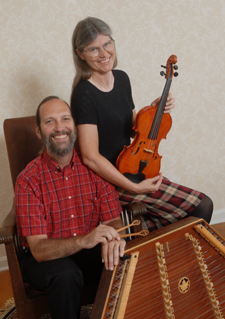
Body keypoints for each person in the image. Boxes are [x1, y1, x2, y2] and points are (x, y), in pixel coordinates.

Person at [70, 17, 213, 232]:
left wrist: (154, 110)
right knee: (202, 206)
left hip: (132, 166)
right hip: (108, 178)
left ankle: (144, 243)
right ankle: (142, 242)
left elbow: (132, 128)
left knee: (196, 208)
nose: (104, 53)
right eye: (93, 49)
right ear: (80, 53)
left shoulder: (121, 79)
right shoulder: (84, 94)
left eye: (107, 44)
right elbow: (91, 157)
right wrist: (134, 187)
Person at [15, 96, 126, 319]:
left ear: (74, 124)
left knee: (124, 256)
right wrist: (83, 240)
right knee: (65, 274)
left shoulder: (95, 166)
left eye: (65, 119)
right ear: (39, 131)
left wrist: (116, 239)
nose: (59, 128)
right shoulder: (28, 180)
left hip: (89, 251)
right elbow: (38, 249)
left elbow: (114, 220)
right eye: (49, 122)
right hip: (46, 260)